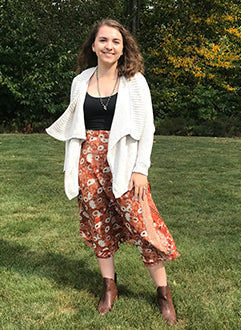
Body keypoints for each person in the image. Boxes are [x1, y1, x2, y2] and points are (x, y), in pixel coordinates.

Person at [47, 19, 180, 324]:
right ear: (93, 46)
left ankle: (163, 292)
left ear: (123, 48)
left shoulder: (135, 82)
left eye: (116, 41)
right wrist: (75, 169)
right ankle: (109, 286)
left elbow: (147, 129)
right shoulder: (80, 81)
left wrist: (141, 170)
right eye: (103, 40)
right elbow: (75, 129)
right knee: (98, 226)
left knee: (142, 227)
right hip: (88, 163)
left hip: (123, 164)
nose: (109, 46)